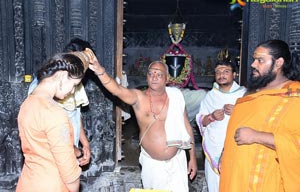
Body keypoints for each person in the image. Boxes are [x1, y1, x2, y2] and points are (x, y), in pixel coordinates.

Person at [88, 59, 197, 192]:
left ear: (167, 78)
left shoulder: (176, 96)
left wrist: (192, 158)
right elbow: (117, 90)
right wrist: (100, 70)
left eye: (159, 74)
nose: (154, 77)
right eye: (151, 74)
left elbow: (186, 127)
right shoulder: (139, 98)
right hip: (153, 165)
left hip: (177, 162)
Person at [219, 39, 300, 192]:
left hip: (269, 181)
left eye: (260, 60)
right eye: (254, 59)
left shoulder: (295, 96)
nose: (253, 65)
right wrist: (225, 152)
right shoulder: (251, 95)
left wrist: (257, 136)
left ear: (278, 63)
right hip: (236, 179)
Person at [16, 50, 95, 192]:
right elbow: (69, 172)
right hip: (52, 184)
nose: (72, 92)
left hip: (28, 182)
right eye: (74, 85)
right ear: (63, 76)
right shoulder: (54, 112)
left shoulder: (27, 104)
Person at [27, 38, 93, 166]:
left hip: (69, 152)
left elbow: (75, 114)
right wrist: (76, 152)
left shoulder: (73, 84)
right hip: (51, 157)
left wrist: (85, 144)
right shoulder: (40, 89)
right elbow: (52, 136)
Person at [195, 60, 246, 192]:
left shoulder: (244, 95)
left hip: (237, 147)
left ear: (234, 74)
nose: (221, 75)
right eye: (218, 72)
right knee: (214, 185)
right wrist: (211, 117)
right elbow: (201, 120)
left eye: (226, 72)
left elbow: (254, 118)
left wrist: (238, 111)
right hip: (214, 148)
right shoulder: (210, 96)